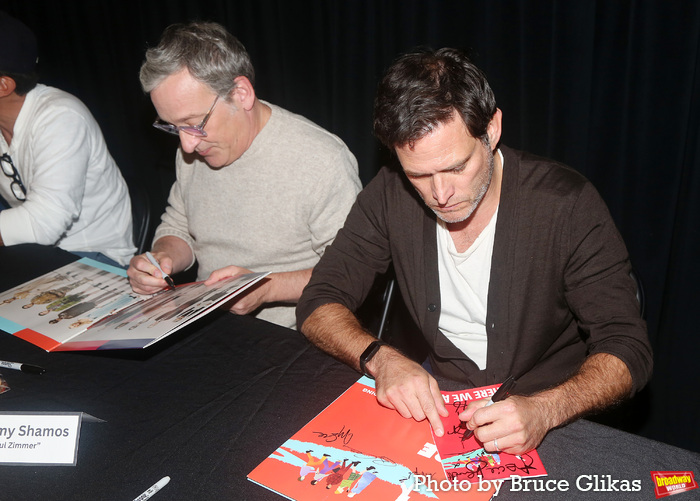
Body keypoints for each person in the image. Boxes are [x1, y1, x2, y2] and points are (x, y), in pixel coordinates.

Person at [297, 48, 653, 455]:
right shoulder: (389, 194)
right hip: (442, 406)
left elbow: (628, 347)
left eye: (456, 167)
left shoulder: (566, 205)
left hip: (550, 414)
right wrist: (381, 358)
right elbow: (319, 300)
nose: (441, 194)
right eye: (419, 175)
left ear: (493, 129)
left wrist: (546, 410)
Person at [127, 21, 361, 329]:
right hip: (206, 323)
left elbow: (352, 272)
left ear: (241, 93)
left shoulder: (321, 160)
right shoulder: (193, 146)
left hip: (294, 337)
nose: (186, 144)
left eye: (194, 123)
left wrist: (266, 288)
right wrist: (161, 260)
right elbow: (179, 224)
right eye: (172, 126)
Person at [0, 11, 135, 267]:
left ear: (3, 86)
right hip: (36, 255)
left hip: (94, 259)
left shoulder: (61, 117)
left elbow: (44, 223)